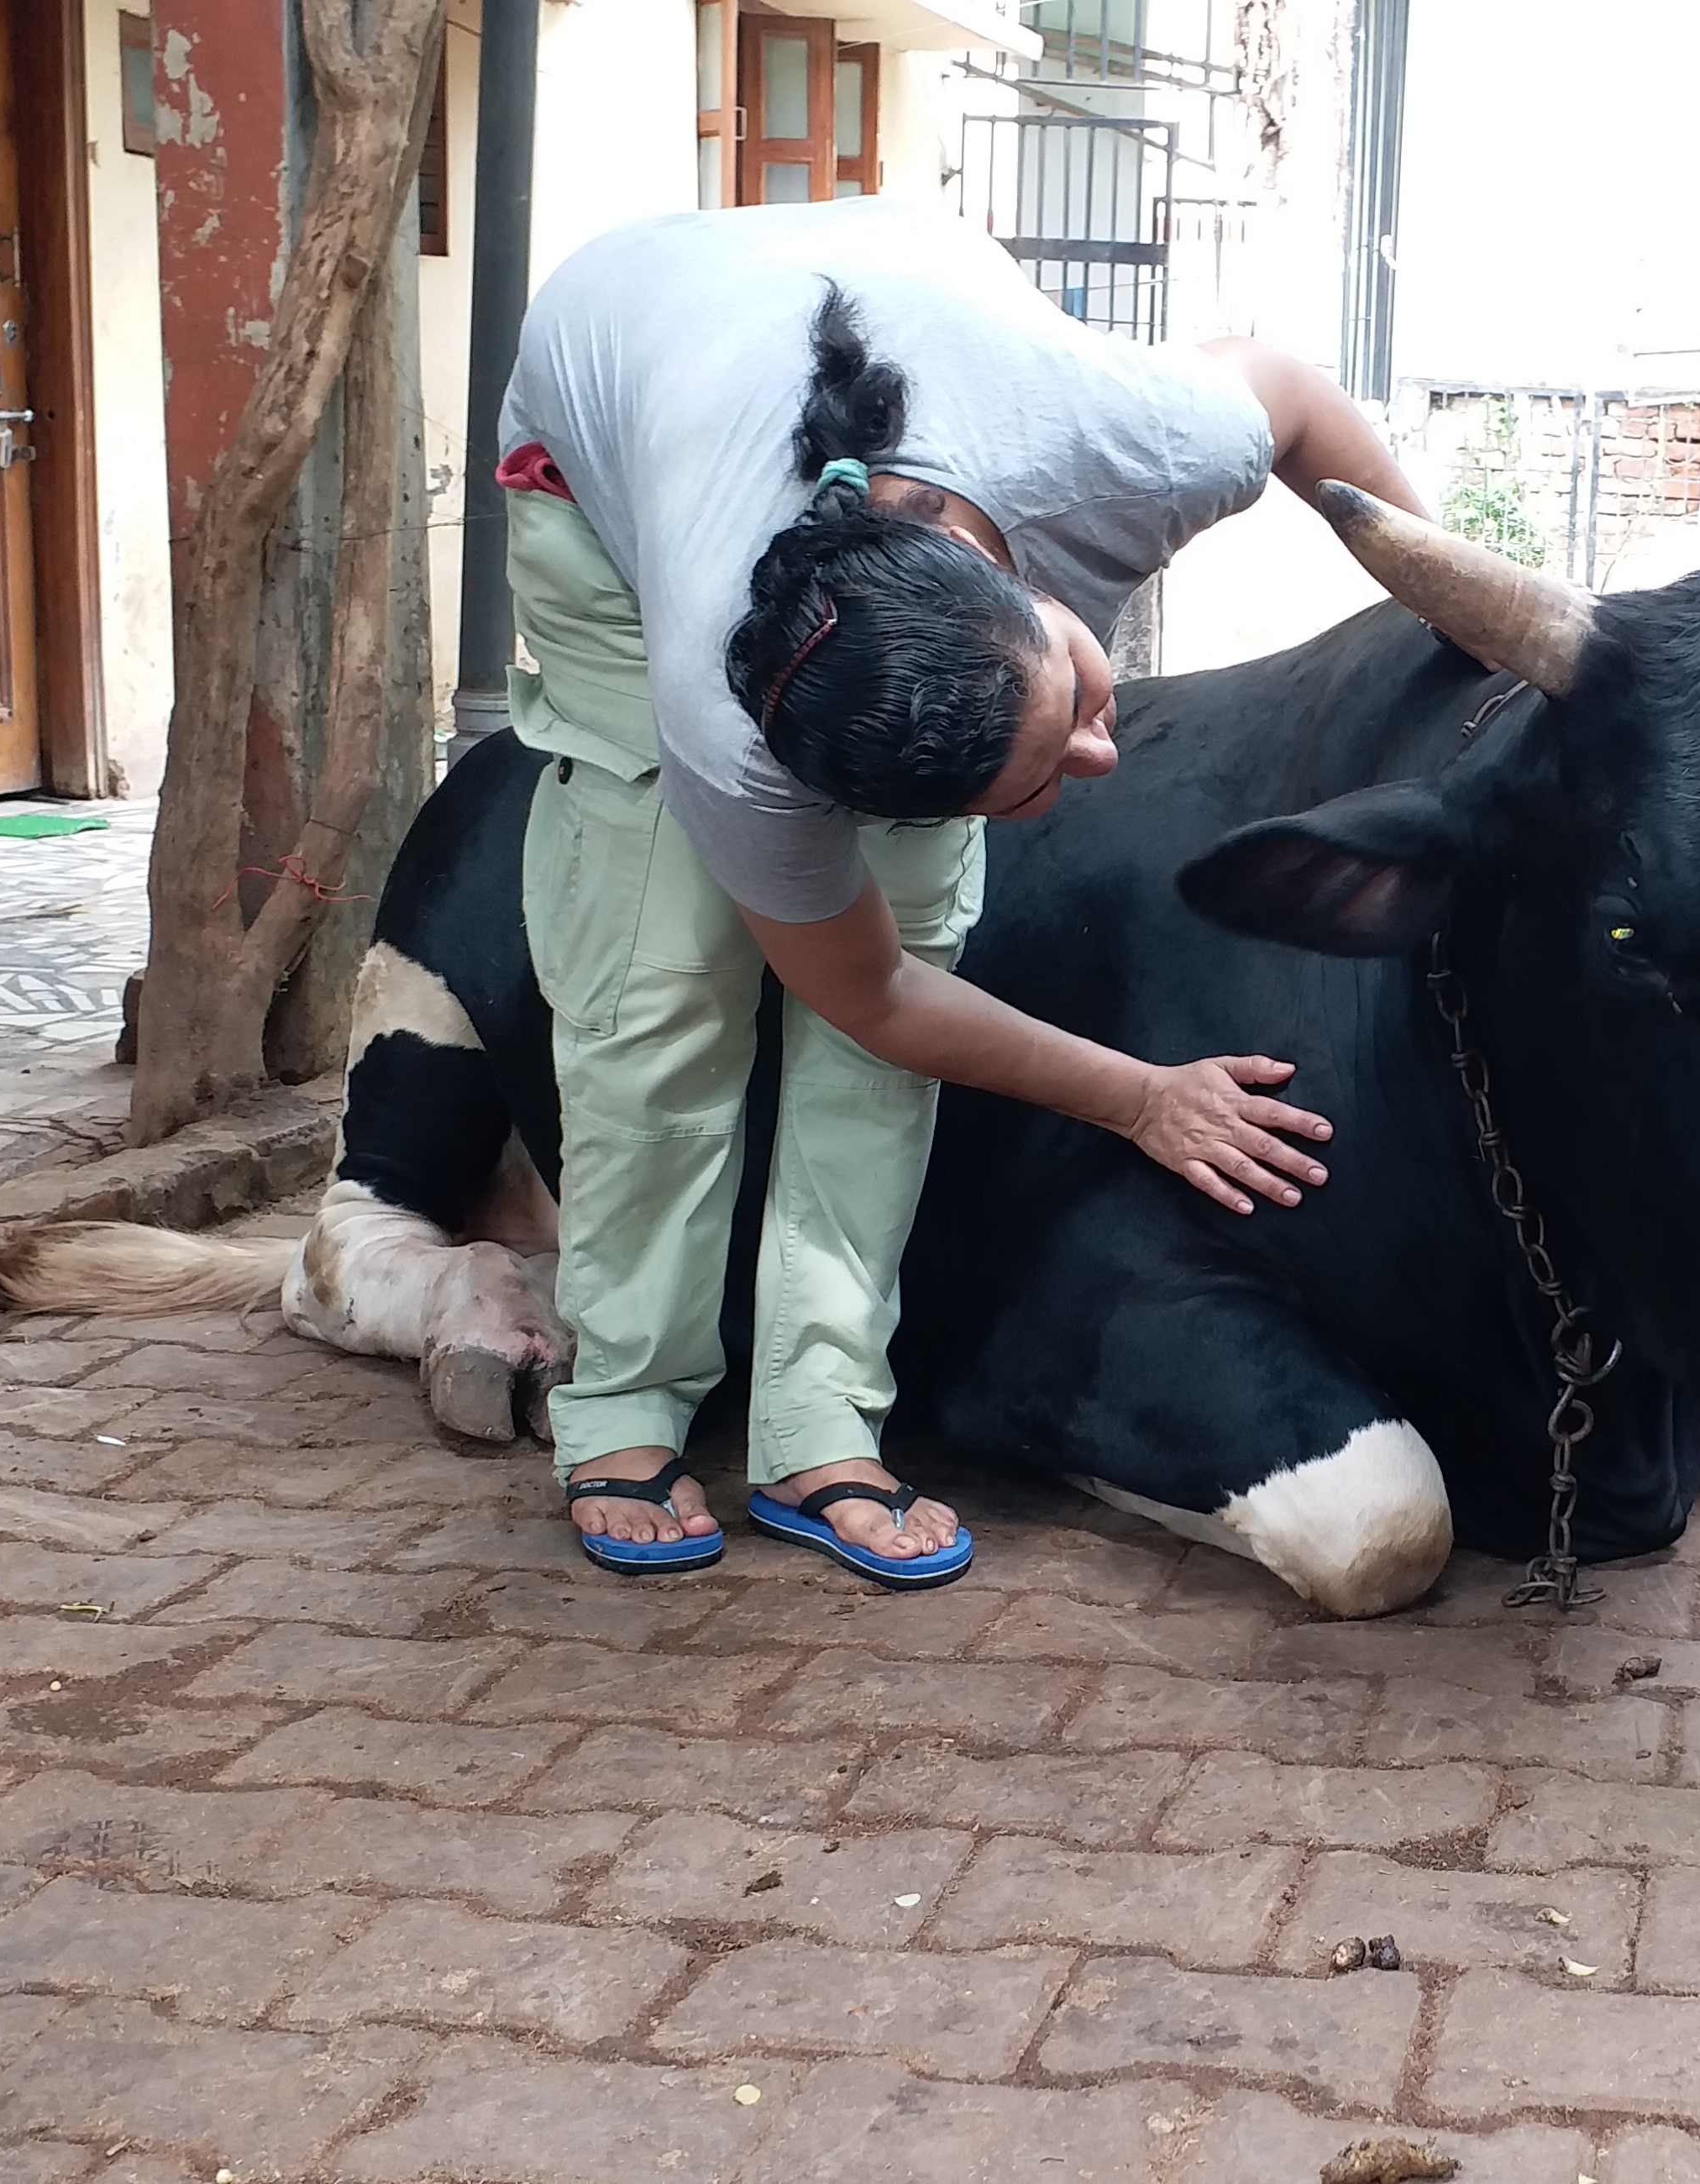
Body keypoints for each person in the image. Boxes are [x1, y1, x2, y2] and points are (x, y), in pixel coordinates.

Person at [492, 197, 1427, 1584]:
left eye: (1079, 700)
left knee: (914, 953)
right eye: (1046, 781)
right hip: (597, 482)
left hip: (873, 332)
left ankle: (820, 1421)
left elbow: (1289, 394)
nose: (1102, 757)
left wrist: (1458, 598)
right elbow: (872, 996)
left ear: (1015, 580)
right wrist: (1141, 1094)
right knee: (667, 980)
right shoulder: (725, 726)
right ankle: (626, 1407)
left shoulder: (1116, 443)